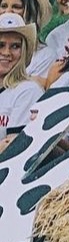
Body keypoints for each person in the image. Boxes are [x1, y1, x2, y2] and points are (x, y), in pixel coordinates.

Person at [0, 12, 42, 152]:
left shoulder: (28, 90)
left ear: (24, 51)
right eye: (1, 45)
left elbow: (13, 148)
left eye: (15, 46)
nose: (6, 52)